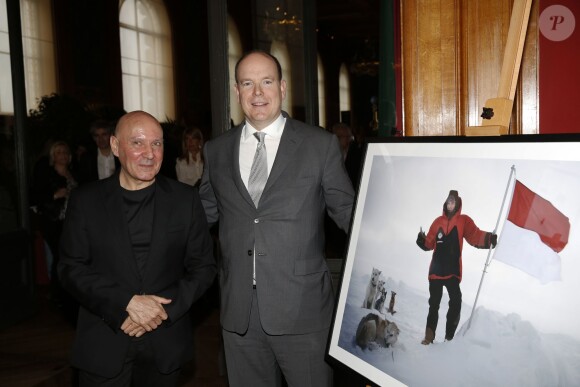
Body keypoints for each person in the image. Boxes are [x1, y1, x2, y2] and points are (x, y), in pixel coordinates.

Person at [199, 50, 355, 387]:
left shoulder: (319, 145)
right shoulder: (216, 150)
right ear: (237, 91)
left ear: (282, 87)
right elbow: (201, 216)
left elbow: (348, 213)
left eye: (266, 82)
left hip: (304, 311)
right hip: (238, 314)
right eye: (248, 83)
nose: (257, 93)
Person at [58, 110, 216, 386]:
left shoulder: (185, 200)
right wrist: (126, 303)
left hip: (165, 342)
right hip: (105, 340)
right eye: (138, 143)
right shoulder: (86, 201)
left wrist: (159, 310)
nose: (150, 153)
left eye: (157, 144)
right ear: (116, 146)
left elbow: (203, 268)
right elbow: (70, 269)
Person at [416, 190, 497, 344]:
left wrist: (488, 239)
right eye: (448, 201)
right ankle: (428, 337)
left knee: (456, 301)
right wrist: (422, 240)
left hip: (452, 271)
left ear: (457, 204)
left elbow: (474, 235)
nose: (450, 204)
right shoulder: (437, 221)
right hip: (436, 271)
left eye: (452, 201)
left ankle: (449, 338)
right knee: (434, 303)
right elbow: (430, 243)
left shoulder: (463, 221)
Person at [31, 140, 78, 305]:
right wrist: (54, 196)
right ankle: (56, 293)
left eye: (65, 152)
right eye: (58, 152)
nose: (62, 156)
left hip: (71, 223)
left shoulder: (73, 174)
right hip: (53, 222)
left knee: (68, 257)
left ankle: (66, 291)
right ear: (53, 156)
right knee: (59, 256)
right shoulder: (48, 174)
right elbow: (36, 198)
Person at [77, 119, 120, 185]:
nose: (101, 139)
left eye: (104, 134)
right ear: (93, 138)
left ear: (111, 135)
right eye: (97, 135)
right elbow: (83, 182)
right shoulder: (87, 158)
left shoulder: (120, 154)